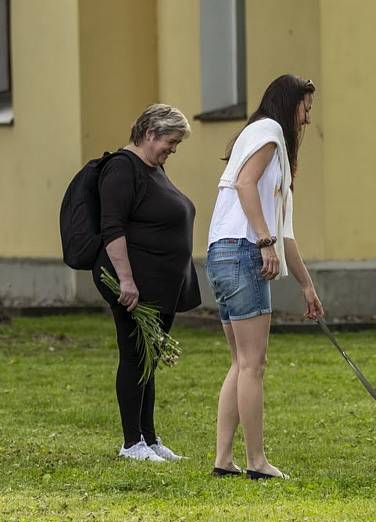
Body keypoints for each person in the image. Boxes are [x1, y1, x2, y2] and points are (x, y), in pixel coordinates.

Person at [206, 74, 324, 480]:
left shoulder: (268, 146)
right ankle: (256, 462)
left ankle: (224, 460)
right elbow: (243, 184)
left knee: (241, 362)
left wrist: (306, 285)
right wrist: (263, 241)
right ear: (289, 103)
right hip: (242, 250)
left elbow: (284, 230)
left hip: (224, 252)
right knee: (253, 364)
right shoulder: (268, 129)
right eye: (305, 108)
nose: (307, 119)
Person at [93, 103, 200, 462]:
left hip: (160, 285)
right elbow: (112, 228)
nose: (173, 149)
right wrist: (126, 280)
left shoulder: (153, 167)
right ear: (150, 133)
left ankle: (149, 438)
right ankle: (131, 443)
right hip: (133, 286)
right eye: (171, 141)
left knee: (148, 360)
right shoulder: (123, 169)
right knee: (135, 357)